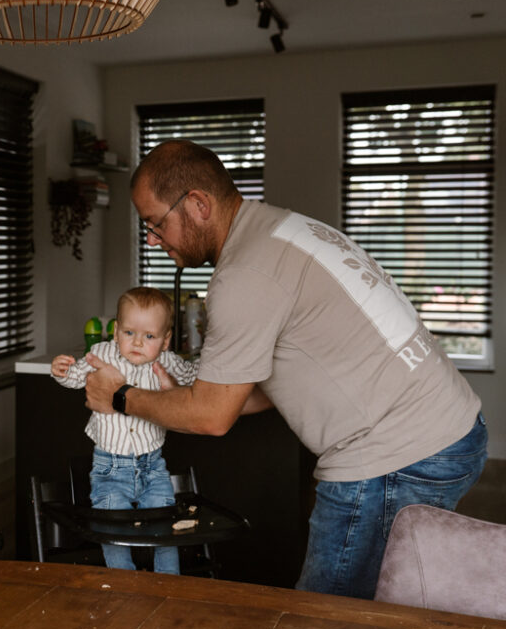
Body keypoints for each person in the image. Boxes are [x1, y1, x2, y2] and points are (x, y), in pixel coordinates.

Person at [85, 139, 487, 599]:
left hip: (395, 454)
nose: (152, 241)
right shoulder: (286, 228)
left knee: (323, 616)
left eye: (156, 224)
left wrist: (120, 396)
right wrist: (189, 395)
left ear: (197, 204)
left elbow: (212, 416)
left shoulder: (244, 274)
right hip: (449, 426)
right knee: (389, 598)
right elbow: (264, 384)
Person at [51, 287, 198, 574]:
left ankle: (169, 583)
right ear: (116, 331)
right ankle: (123, 585)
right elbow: (75, 378)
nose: (138, 342)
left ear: (166, 340)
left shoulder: (167, 361)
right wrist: (61, 371)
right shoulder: (100, 354)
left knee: (165, 531)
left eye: (150, 336)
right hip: (110, 468)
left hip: (153, 466)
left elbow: (197, 378)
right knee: (112, 533)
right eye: (129, 332)